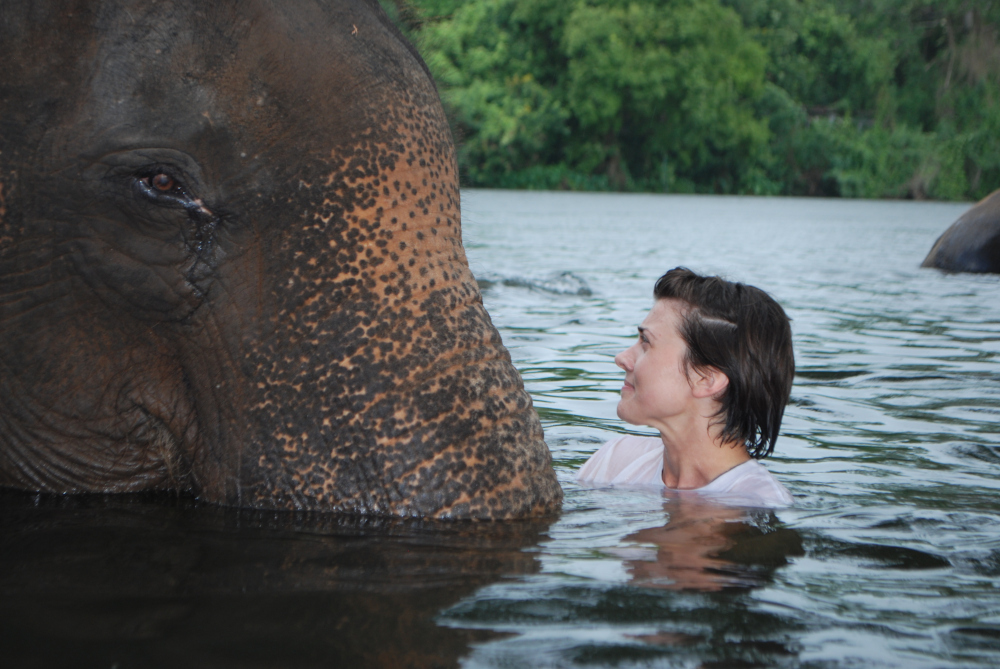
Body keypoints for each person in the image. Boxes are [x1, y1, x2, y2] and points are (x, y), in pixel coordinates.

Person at [577, 267, 795, 507]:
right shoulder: (616, 459)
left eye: (646, 341)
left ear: (706, 378)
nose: (621, 358)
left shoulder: (757, 503)